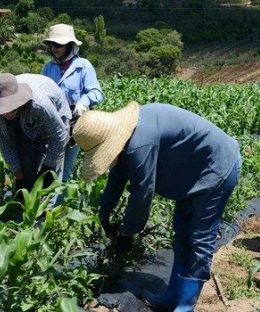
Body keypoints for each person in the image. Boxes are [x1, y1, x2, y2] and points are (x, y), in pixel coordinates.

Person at [72, 102, 241, 312]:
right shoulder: (126, 137)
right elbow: (116, 179)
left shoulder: (139, 144)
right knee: (181, 232)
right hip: (191, 174)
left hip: (217, 167)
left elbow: (142, 194)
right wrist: (104, 215)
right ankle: (172, 294)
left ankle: (186, 305)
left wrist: (127, 233)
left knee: (199, 237)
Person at [0, 73, 71, 203]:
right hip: (24, 121)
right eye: (1, 107)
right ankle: (28, 203)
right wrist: (19, 177)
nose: (6, 112)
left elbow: (59, 136)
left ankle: (47, 213)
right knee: (27, 168)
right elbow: (5, 142)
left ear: (18, 101)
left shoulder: (39, 105)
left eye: (9, 106)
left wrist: (47, 168)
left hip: (54, 118)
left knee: (49, 182)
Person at [42, 24, 104, 182]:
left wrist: (83, 102)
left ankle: (62, 203)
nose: (55, 48)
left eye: (60, 44)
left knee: (65, 169)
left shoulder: (83, 66)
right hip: (51, 122)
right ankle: (49, 202)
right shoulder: (48, 68)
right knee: (49, 168)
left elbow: (97, 92)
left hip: (74, 123)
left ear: (70, 45)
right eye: (52, 44)